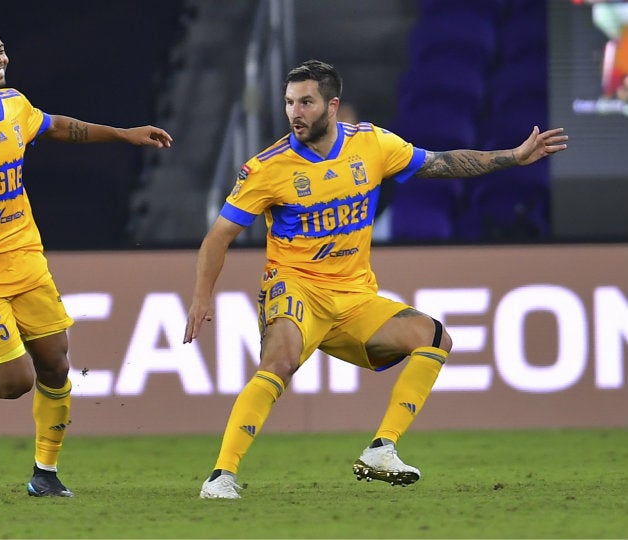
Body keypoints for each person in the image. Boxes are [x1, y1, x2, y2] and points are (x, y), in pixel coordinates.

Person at [183, 59, 567, 499]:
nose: (295, 112)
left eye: (306, 102)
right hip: (295, 287)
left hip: (355, 299)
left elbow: (442, 163)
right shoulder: (268, 168)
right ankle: (221, 476)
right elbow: (217, 238)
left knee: (435, 338)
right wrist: (201, 297)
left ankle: (381, 449)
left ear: (332, 105)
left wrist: (513, 157)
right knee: (280, 362)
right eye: (289, 103)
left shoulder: (372, 144)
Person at [0, 18, 172, 498]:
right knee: (14, 383)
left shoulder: (15, 106)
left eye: (1, 49)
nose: (0, 59)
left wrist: (123, 134)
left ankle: (44, 475)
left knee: (55, 366)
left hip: (26, 258)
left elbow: (61, 128)